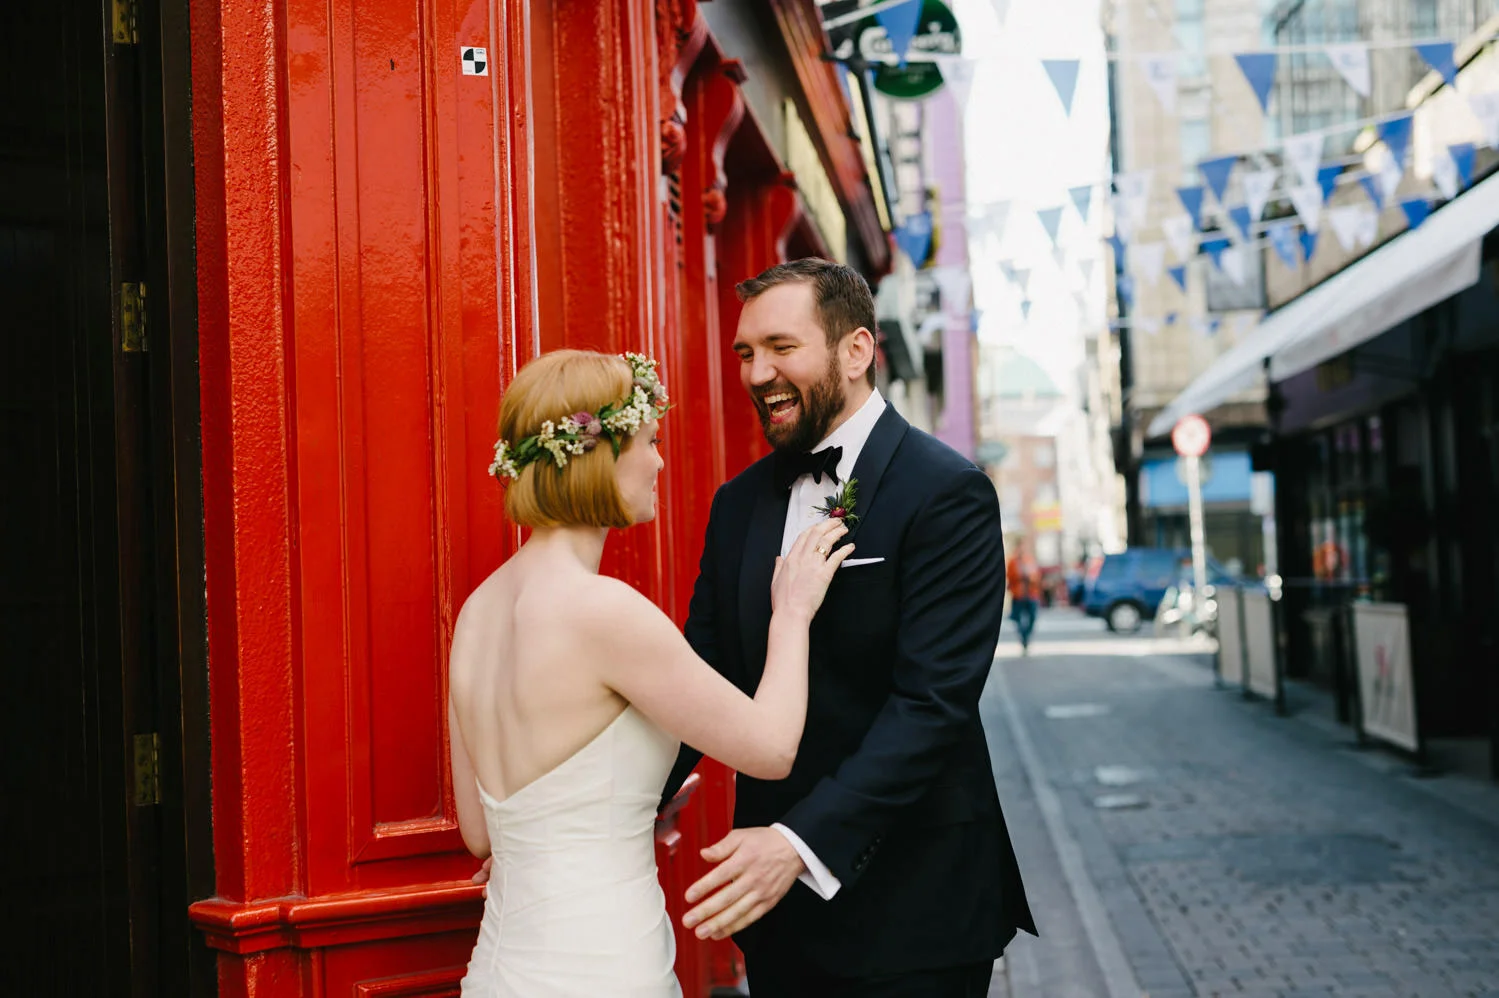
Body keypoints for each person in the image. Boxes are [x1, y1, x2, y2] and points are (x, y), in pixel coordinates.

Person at [660, 259, 1036, 996]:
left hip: (916, 908)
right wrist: (611, 806)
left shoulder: (948, 492)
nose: (757, 373)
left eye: (781, 347)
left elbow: (932, 703)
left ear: (856, 350)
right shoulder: (737, 504)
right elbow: (700, 679)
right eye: (745, 353)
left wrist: (797, 844)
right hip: (777, 917)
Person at [449, 350, 854, 996]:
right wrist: (793, 613)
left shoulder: (476, 612)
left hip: (498, 969)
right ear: (601, 456)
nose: (660, 462)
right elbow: (772, 747)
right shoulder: (602, 611)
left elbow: (480, 833)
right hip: (602, 969)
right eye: (650, 441)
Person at [1008, 541, 1042, 653]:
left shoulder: (1030, 560)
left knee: (1032, 617)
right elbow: (1010, 576)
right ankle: (1023, 636)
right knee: (1017, 618)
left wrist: (1029, 575)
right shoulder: (1012, 562)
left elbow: (1036, 576)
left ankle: (1026, 636)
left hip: (1031, 594)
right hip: (1018, 594)